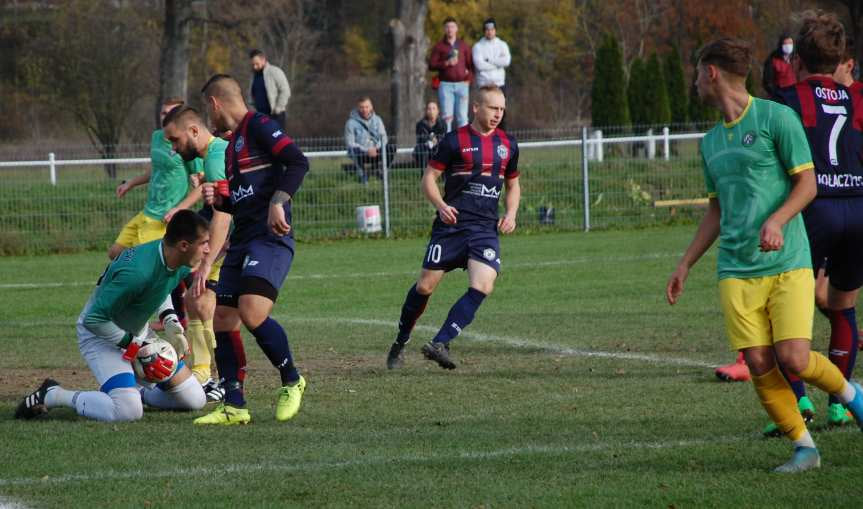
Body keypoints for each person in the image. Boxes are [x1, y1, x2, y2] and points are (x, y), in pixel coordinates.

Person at [666, 37, 863, 473]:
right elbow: (717, 208)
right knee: (758, 362)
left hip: (788, 261)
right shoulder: (710, 142)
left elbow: (808, 185)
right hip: (735, 269)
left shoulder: (777, 117)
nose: (695, 82)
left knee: (793, 357)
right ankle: (804, 447)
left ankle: (854, 398)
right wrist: (686, 263)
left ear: (712, 73)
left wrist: (776, 221)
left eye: (698, 73)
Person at [762, 11, 863, 435]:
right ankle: (840, 406)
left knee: (788, 307)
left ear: (798, 59)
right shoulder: (858, 97)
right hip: (858, 206)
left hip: (814, 209)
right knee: (843, 306)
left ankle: (798, 400)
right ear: (840, 58)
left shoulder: (789, 98)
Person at [15, 210, 210, 422]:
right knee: (127, 411)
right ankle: (54, 395)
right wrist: (134, 345)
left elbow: (161, 287)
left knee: (194, 399)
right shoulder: (137, 272)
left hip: (137, 334)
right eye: (204, 243)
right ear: (184, 245)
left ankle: (136, 391)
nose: (208, 249)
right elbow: (94, 319)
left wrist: (170, 320)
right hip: (100, 337)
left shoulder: (175, 258)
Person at [193, 74, 310, 426]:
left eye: (206, 109)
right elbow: (237, 204)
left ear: (215, 103)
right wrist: (221, 198)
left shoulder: (259, 125)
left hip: (269, 239)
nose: (208, 117)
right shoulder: (231, 150)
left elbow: (298, 162)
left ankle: (292, 380)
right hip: (242, 240)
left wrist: (279, 201)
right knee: (223, 318)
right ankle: (235, 405)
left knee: (252, 311)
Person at [386, 85, 520, 370]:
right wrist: (441, 206)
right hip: (452, 227)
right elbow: (429, 179)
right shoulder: (454, 140)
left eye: (501, 109)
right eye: (492, 108)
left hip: (484, 228)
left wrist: (511, 212)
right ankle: (401, 340)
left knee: (483, 284)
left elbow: (513, 183)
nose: (498, 114)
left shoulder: (508, 144)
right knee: (424, 287)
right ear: (476, 107)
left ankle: (440, 342)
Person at [162, 106, 235, 403]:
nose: (174, 148)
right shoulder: (214, 156)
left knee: (214, 308)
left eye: (176, 140)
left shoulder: (218, 153)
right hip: (228, 238)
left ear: (193, 130)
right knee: (197, 301)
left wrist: (206, 263)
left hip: (235, 240)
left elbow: (223, 215)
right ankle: (205, 373)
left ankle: (222, 378)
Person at [110, 98, 203, 261]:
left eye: (170, 113)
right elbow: (156, 169)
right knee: (115, 253)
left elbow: (202, 185)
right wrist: (130, 183)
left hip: (164, 218)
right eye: (163, 113)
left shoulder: (186, 144)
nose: (165, 117)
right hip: (147, 212)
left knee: (138, 262)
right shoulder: (157, 137)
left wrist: (179, 209)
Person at [429, 17, 473, 131]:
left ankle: (464, 145)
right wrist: (446, 63)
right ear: (444, 29)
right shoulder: (439, 46)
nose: (450, 29)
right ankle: (448, 145)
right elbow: (431, 65)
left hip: (462, 85)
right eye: (447, 27)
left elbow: (471, 65)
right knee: (446, 118)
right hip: (445, 86)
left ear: (456, 29)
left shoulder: (463, 45)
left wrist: (469, 80)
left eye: (452, 27)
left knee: (462, 117)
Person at [344, 96, 396, 184]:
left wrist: (375, 148)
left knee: (391, 148)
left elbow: (384, 138)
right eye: (362, 107)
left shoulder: (378, 120)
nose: (364, 110)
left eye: (367, 107)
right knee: (353, 150)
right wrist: (366, 150)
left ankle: (382, 173)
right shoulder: (350, 123)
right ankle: (362, 176)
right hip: (361, 153)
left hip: (376, 151)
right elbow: (350, 143)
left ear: (371, 107)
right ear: (358, 108)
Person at [472, 18, 511, 129]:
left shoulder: (502, 45)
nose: (489, 32)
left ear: (495, 30)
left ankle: (502, 139)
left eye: (492, 29)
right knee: (485, 114)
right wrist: (498, 63)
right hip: (484, 85)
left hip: (500, 85)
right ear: (484, 31)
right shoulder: (478, 46)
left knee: (501, 114)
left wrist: (489, 61)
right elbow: (479, 65)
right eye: (487, 30)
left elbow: (506, 61)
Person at [249, 49, 291, 129]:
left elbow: (285, 90)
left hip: (276, 116)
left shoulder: (275, 71)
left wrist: (278, 108)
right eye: (253, 64)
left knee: (278, 141)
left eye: (257, 64)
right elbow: (251, 96)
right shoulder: (253, 76)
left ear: (263, 60)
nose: (255, 67)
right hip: (260, 117)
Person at [413, 101, 447, 169]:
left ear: (438, 111)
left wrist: (436, 141)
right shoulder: (420, 124)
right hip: (425, 149)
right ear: (426, 111)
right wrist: (431, 140)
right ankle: (425, 176)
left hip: (438, 147)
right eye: (429, 108)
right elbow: (422, 139)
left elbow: (443, 137)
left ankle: (444, 177)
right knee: (423, 151)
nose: (431, 111)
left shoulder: (443, 124)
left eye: (434, 108)